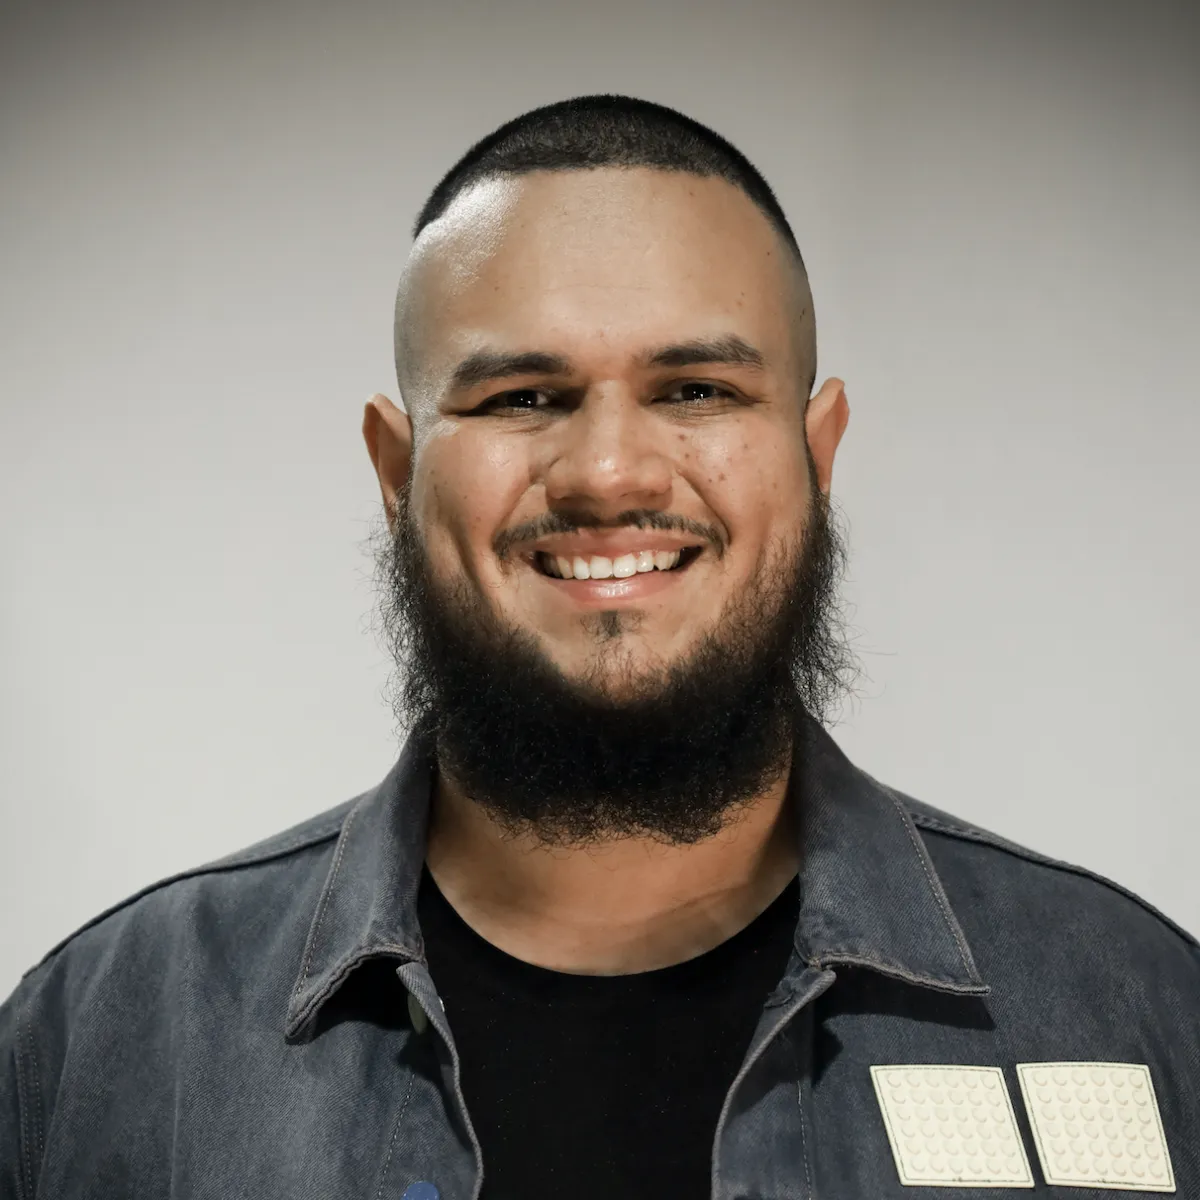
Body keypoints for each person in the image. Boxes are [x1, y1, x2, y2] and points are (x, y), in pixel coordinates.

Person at [2, 94, 1196, 1200]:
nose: (609, 473)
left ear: (818, 452)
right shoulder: (104, 1040)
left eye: (695, 389)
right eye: (522, 397)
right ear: (396, 470)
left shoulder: (1132, 1008)